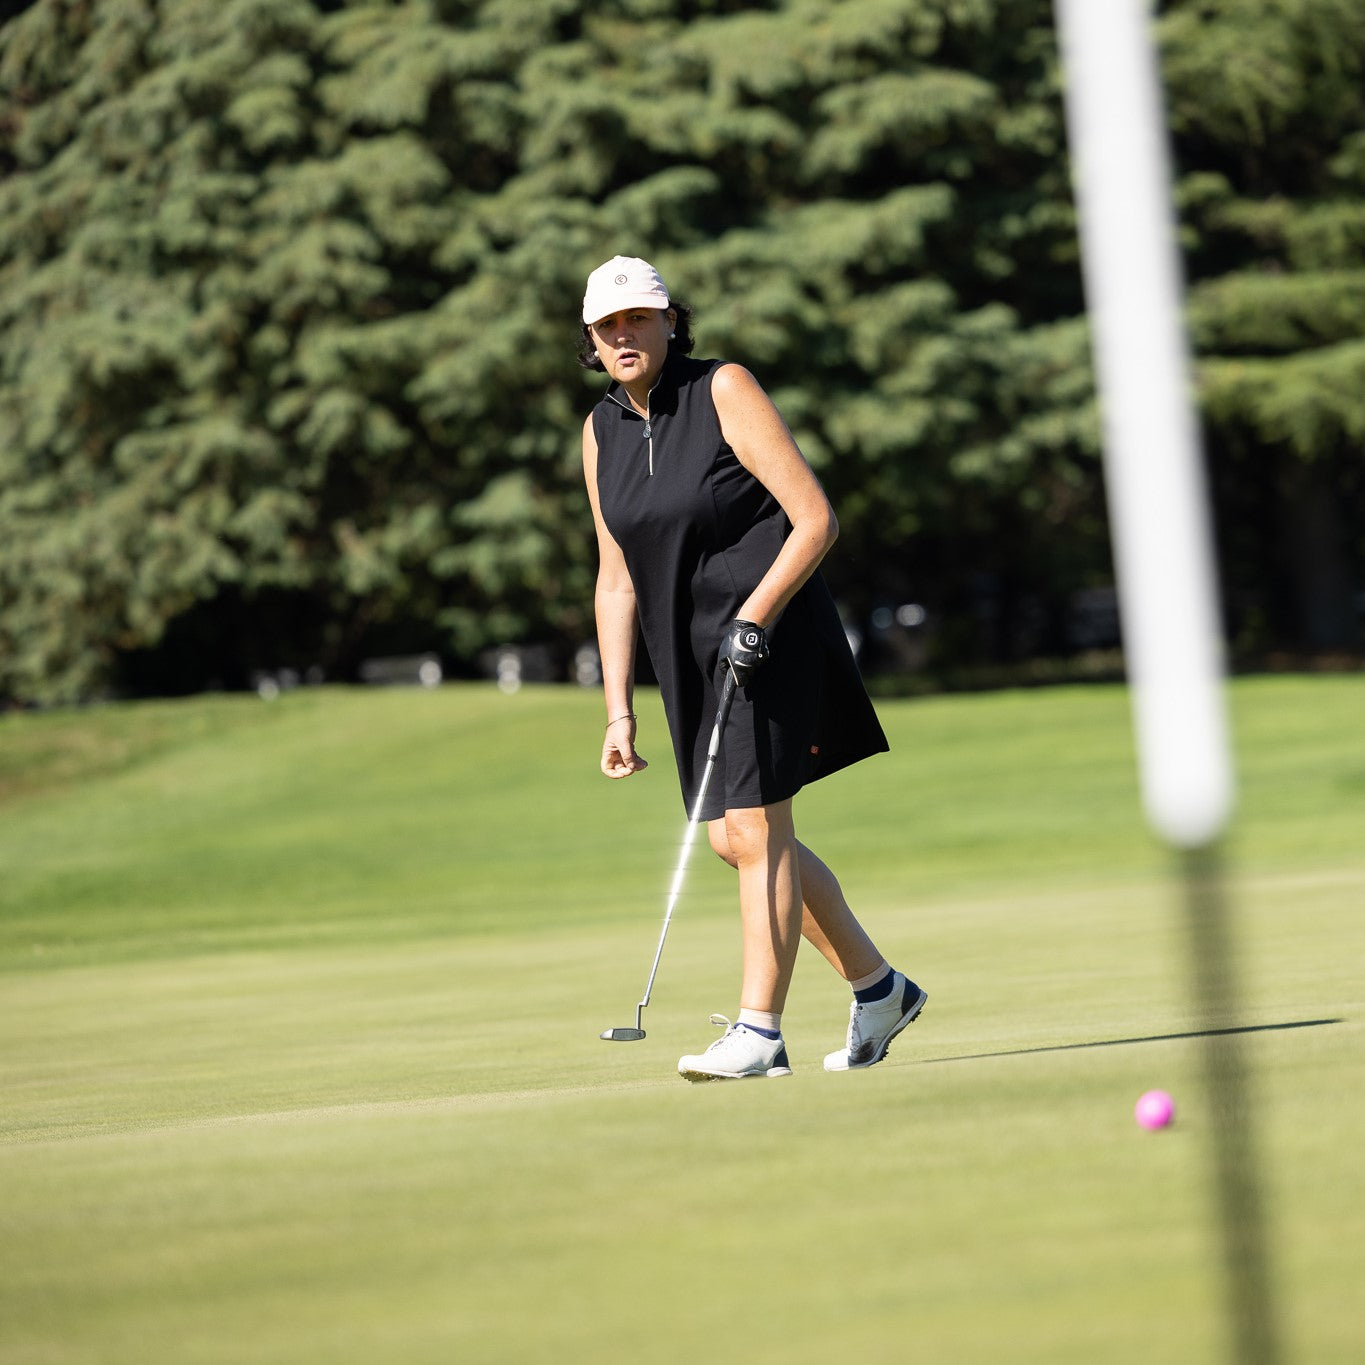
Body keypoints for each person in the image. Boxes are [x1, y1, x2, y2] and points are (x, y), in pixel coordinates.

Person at [579, 255, 926, 1082]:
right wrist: (618, 712)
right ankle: (878, 987)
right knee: (731, 837)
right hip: (686, 654)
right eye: (608, 325)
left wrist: (754, 614)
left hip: (766, 632)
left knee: (761, 824)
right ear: (591, 340)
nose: (624, 334)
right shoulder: (600, 432)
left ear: (670, 321)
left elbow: (813, 518)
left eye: (639, 318)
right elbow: (615, 577)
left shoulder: (723, 388)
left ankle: (759, 1030)